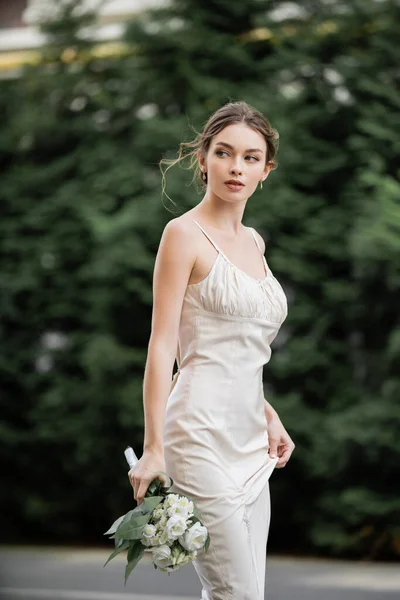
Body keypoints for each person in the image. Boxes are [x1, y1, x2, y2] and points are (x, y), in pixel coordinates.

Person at [129, 101, 295, 600]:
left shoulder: (256, 243)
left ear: (266, 170)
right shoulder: (182, 235)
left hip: (250, 441)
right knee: (237, 593)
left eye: (250, 157)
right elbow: (164, 347)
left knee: (247, 592)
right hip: (195, 435)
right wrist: (154, 448)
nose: (235, 167)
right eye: (224, 153)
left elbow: (237, 348)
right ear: (203, 159)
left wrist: (267, 414)